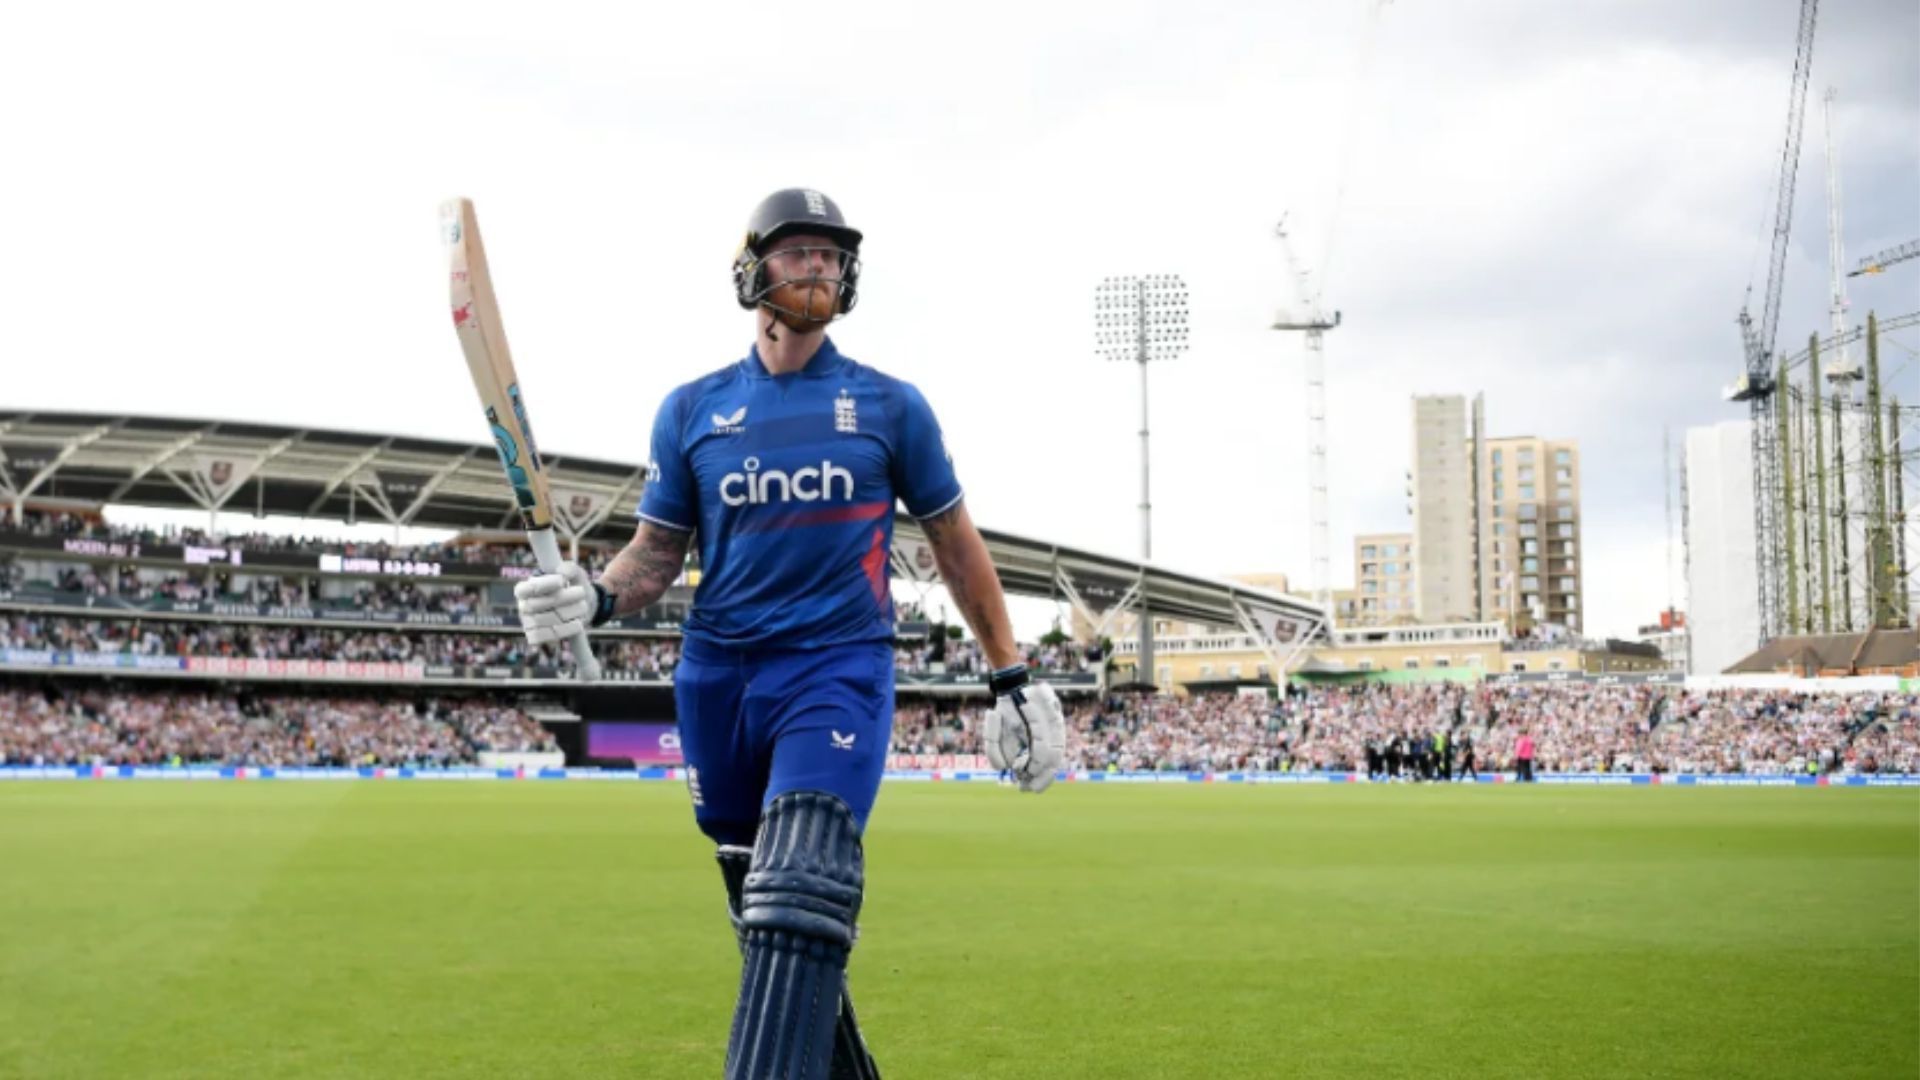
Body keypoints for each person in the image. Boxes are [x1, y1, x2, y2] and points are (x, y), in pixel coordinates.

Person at [513, 188, 1066, 1080]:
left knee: (803, 884)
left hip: (836, 668)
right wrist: (595, 597)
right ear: (752, 269)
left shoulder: (891, 406)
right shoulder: (690, 410)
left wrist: (1011, 672)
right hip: (718, 680)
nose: (818, 267)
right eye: (798, 251)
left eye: (830, 255)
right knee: (770, 926)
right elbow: (656, 556)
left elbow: (958, 547)